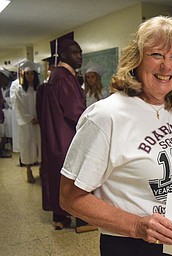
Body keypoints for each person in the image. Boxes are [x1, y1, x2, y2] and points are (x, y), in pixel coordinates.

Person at [59, 16, 172, 256]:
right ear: (136, 60)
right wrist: (137, 225)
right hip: (132, 245)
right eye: (156, 55)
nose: (166, 66)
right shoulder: (107, 116)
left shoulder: (171, 110)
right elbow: (70, 196)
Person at [36, 39, 95, 232]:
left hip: (55, 136)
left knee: (57, 174)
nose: (79, 57)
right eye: (75, 53)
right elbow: (75, 111)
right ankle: (82, 219)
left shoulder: (55, 77)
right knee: (75, 175)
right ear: (63, 55)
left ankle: (60, 217)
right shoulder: (64, 78)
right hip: (67, 137)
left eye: (80, 53)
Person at [15, 61, 41, 183]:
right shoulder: (20, 90)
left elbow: (44, 105)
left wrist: (40, 117)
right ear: (24, 76)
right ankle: (28, 170)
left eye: (32, 74)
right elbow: (19, 108)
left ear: (35, 75)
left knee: (40, 146)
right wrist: (31, 118)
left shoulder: (40, 89)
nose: (30, 76)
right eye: (27, 74)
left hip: (39, 123)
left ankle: (42, 169)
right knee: (27, 145)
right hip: (27, 124)